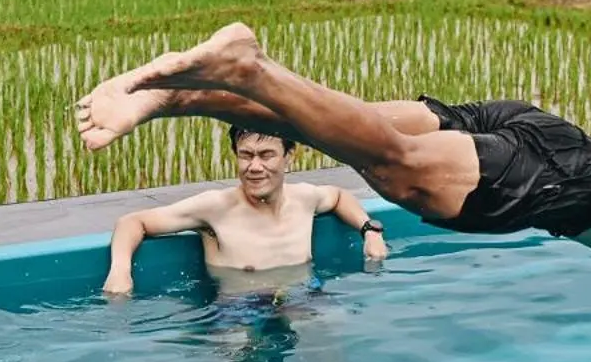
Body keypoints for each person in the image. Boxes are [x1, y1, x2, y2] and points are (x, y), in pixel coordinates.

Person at [75, 23, 591, 362]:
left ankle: (174, 98)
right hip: (569, 181)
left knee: (366, 130)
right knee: (397, 174)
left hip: (547, 135)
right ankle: (248, 66)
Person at [101, 124, 387, 297]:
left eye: (266, 155)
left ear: (289, 156)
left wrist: (369, 231)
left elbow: (338, 197)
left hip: (301, 296)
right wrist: (120, 272)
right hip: (239, 307)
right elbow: (132, 222)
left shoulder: (303, 198)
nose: (254, 167)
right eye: (246, 155)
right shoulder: (215, 207)